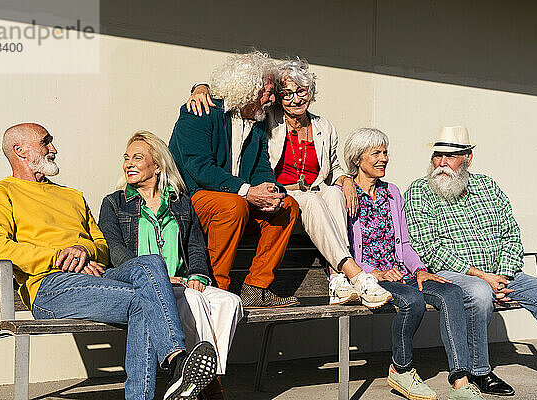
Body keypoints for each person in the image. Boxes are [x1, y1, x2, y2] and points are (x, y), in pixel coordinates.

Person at [0, 123, 218, 400]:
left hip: (97, 277)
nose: (53, 149)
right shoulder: (3, 192)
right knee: (146, 299)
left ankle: (175, 364)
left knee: (150, 263)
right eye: (46, 142)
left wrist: (83, 249)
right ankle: (177, 364)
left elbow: (102, 246)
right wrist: (59, 256)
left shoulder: (72, 195)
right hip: (51, 286)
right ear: (19, 150)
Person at [187, 58, 392, 309]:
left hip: (277, 197)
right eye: (279, 93)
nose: (283, 99)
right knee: (252, 204)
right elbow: (201, 165)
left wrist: (344, 179)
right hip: (219, 197)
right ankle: (355, 275)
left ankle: (317, 281)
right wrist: (200, 87)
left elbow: (266, 166)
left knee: (319, 198)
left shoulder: (302, 125)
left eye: (301, 91)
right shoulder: (258, 117)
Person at [404, 126, 537, 397]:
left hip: (500, 274)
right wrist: (484, 277)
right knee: (480, 293)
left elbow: (511, 234)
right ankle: (480, 372)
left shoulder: (488, 186)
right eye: (438, 156)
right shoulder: (420, 191)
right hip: (452, 273)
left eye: (451, 156)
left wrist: (503, 276)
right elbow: (428, 249)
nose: (442, 163)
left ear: (468, 158)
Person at [99, 131, 243, 400]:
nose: (129, 163)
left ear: (157, 165)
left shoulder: (179, 202)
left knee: (230, 302)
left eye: (137, 157)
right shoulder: (114, 203)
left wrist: (199, 274)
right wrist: (157, 277)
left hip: (183, 280)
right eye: (126, 158)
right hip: (148, 286)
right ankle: (209, 390)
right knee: (196, 303)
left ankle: (205, 379)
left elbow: (195, 245)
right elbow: (114, 251)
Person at [344, 128, 483, 400]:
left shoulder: (392, 192)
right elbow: (345, 247)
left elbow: (404, 243)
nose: (384, 158)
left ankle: (460, 380)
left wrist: (420, 270)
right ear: (358, 159)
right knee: (412, 301)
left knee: (452, 292)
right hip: (369, 277)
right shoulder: (344, 193)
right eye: (376, 153)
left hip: (403, 272)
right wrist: (375, 271)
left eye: (385, 152)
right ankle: (402, 369)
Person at [169, 51, 301, 308]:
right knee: (234, 205)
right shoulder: (199, 112)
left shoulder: (258, 122)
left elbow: (261, 165)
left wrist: (269, 190)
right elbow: (200, 168)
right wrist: (247, 191)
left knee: (287, 206)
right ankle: (217, 288)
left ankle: (256, 288)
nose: (272, 99)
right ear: (247, 90)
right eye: (268, 92)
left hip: (237, 200)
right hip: (194, 200)